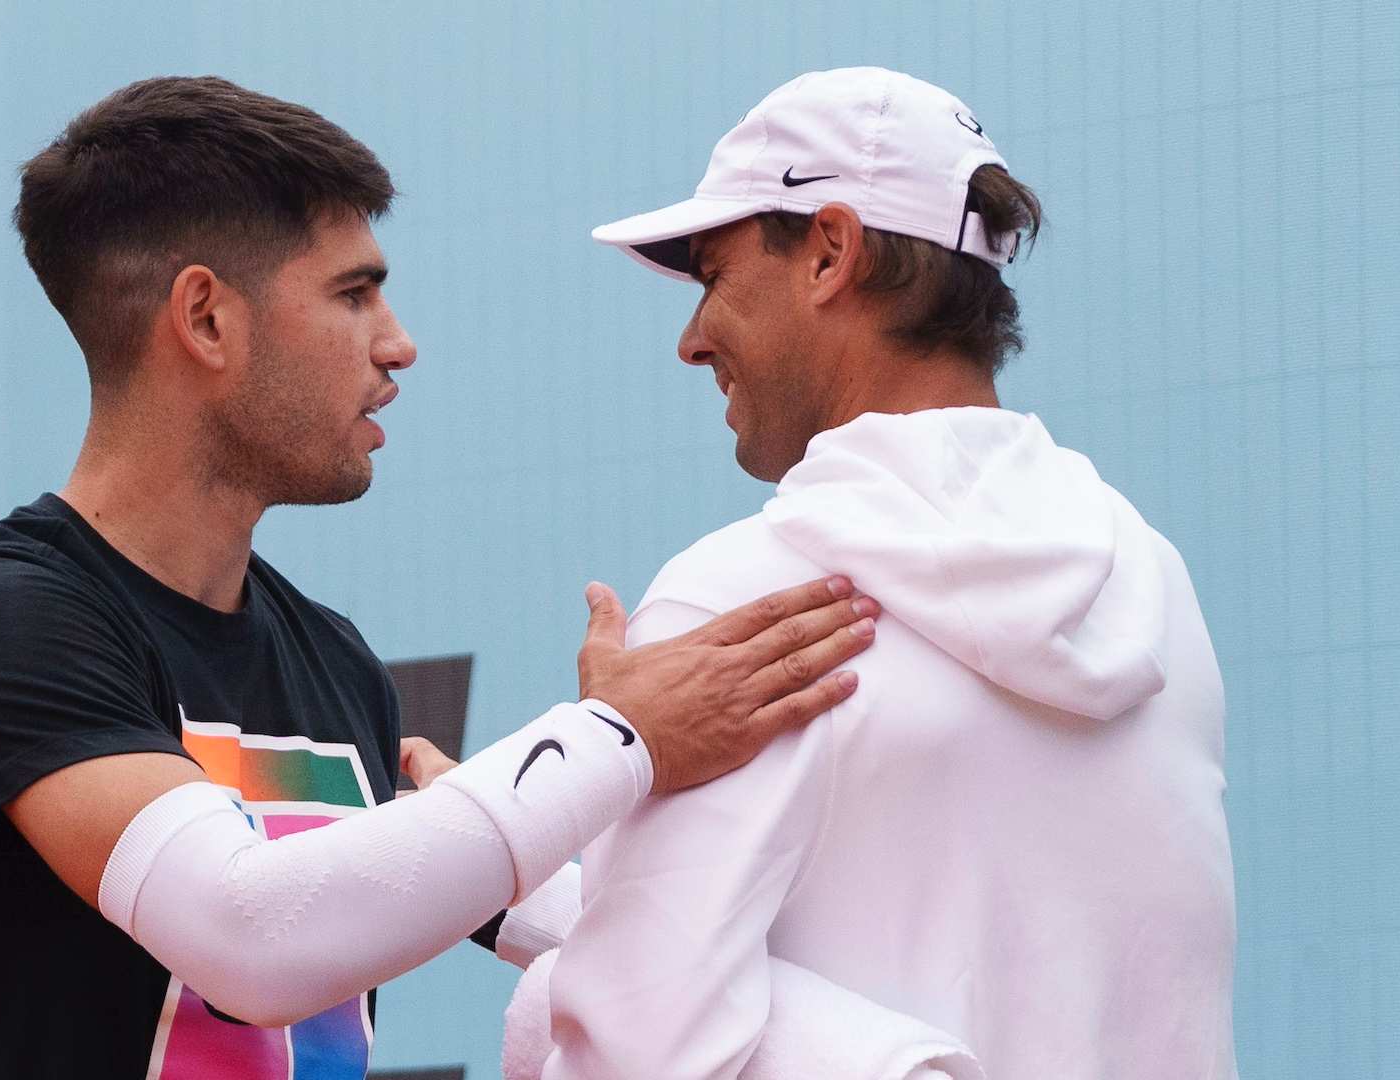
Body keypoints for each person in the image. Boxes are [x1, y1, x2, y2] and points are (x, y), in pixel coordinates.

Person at [0, 76, 882, 1080]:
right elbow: (247, 932)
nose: (400, 344)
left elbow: (355, 892)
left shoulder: (334, 660)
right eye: (354, 294)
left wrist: (536, 873)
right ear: (205, 319)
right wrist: (621, 741)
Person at [522, 67, 1239, 1079]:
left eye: (713, 276)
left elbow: (639, 1052)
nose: (691, 341)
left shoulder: (738, 601)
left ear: (829, 253)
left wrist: (605, 768)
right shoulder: (1153, 580)